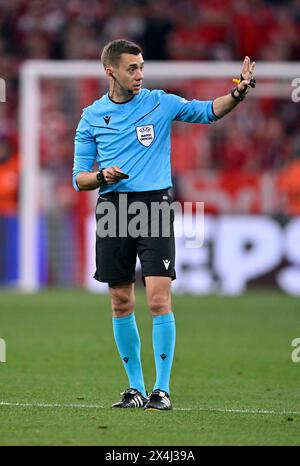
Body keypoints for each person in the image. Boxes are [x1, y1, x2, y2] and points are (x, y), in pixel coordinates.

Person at [72, 39, 255, 410]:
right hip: (112, 209)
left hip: (154, 205)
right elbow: (78, 178)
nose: (140, 75)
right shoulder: (92, 116)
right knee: (121, 301)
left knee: (158, 299)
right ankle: (135, 389)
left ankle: (162, 390)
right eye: (131, 68)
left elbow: (207, 111)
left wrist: (237, 93)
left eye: (141, 66)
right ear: (111, 71)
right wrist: (102, 176)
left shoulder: (159, 102)